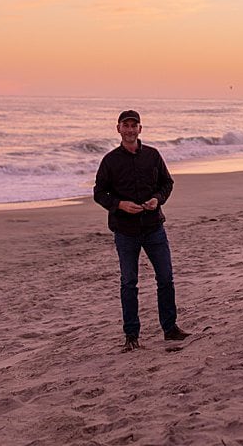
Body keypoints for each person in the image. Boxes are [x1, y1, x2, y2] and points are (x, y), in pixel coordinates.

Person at [93, 109, 190, 351]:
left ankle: (170, 329)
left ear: (140, 129)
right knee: (129, 283)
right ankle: (131, 336)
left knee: (165, 278)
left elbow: (167, 183)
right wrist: (119, 204)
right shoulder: (110, 161)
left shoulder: (153, 156)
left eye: (133, 125)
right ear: (118, 129)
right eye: (125, 125)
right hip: (125, 231)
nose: (129, 130)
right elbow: (99, 193)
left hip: (153, 227)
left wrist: (158, 199)